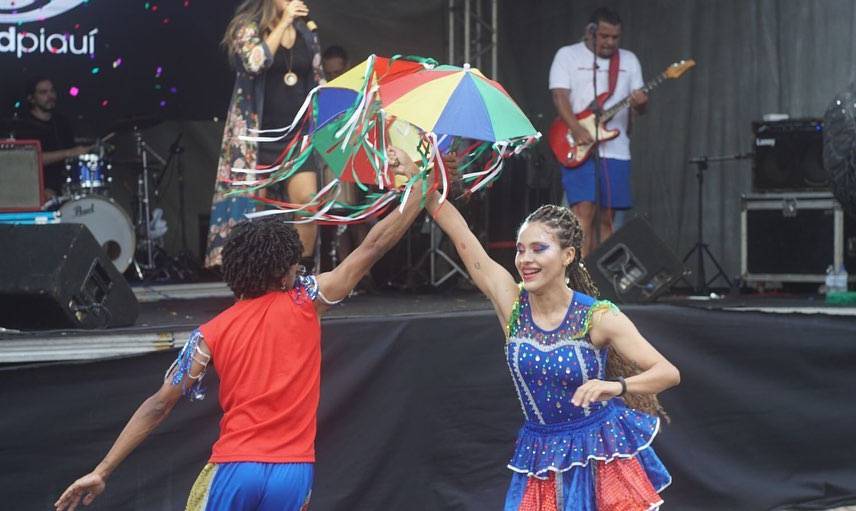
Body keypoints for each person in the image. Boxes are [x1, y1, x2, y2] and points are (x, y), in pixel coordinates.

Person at [54, 147, 427, 511]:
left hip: (235, 469)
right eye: (294, 266)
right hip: (294, 473)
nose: (300, 271)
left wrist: (102, 471)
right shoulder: (306, 300)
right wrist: (421, 188)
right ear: (281, 271)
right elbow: (372, 246)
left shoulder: (210, 334)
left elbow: (158, 405)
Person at [425, 190, 680, 509]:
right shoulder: (512, 306)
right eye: (520, 250)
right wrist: (422, 183)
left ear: (568, 255)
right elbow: (461, 234)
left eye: (538, 249)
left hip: (596, 451)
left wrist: (616, 387)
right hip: (539, 453)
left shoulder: (597, 317)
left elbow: (667, 372)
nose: (525, 260)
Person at [205, 0, 324, 271]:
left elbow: (318, 80)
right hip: (255, 139)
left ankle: (301, 276)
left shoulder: (307, 33)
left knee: (307, 202)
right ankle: (254, 281)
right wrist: (283, 23)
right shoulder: (247, 27)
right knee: (255, 215)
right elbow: (255, 62)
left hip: (296, 136)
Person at [549, 7, 647, 257]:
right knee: (582, 210)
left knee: (609, 215)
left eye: (615, 37)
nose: (610, 42)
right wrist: (575, 128)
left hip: (616, 149)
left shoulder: (629, 60)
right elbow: (559, 95)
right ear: (590, 32)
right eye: (604, 36)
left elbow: (641, 105)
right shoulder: (568, 55)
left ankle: (603, 281)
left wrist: (640, 102)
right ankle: (580, 278)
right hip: (577, 143)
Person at [18, 77, 90, 198]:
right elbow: (29, 161)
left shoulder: (62, 122)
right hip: (34, 189)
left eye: (52, 91)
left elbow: (72, 157)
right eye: (43, 92)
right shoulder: (22, 125)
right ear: (31, 99)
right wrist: (68, 152)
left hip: (64, 187)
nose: (50, 95)